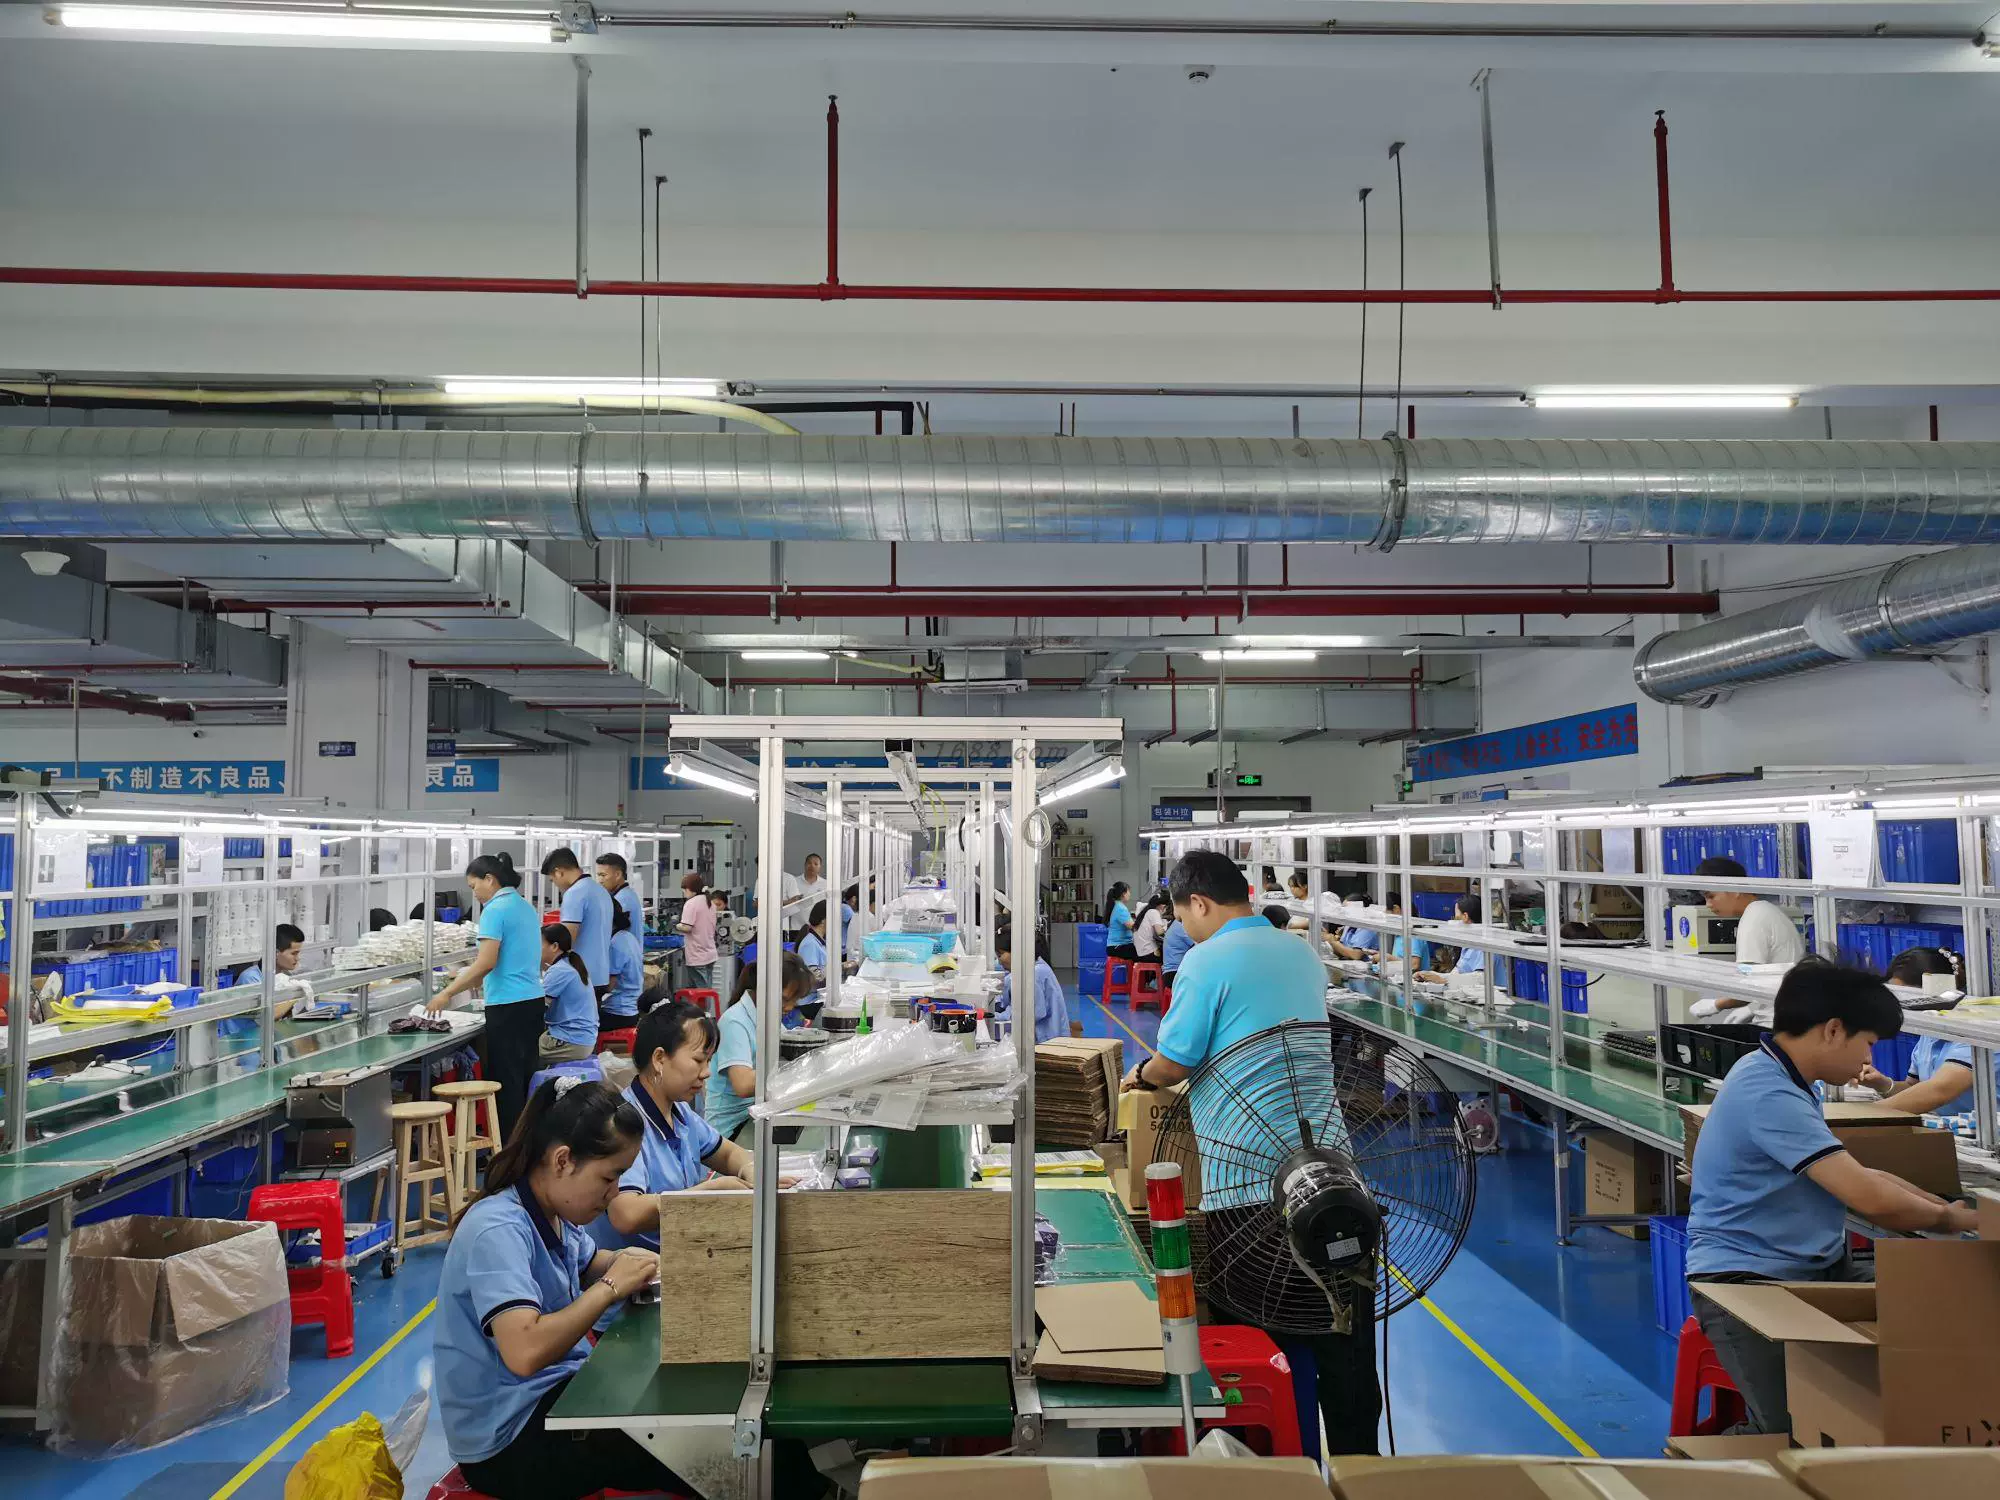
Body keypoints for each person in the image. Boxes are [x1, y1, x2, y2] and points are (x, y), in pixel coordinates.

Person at [1121, 850, 1378, 1455]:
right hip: (1335, 1176)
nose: (1183, 928)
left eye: (1182, 916)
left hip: (1249, 1184)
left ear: (1199, 903)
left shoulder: (1207, 960)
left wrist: (1140, 1076)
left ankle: (1274, 1467)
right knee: (1343, 1339)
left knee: (1262, 1346)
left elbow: (1175, 1061)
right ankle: (1360, 1471)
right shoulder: (1300, 951)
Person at [1687, 963, 1979, 1434]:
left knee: (1944, 1298)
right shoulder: (1768, 1092)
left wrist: (1949, 1209)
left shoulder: (1784, 1075)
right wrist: (1952, 1222)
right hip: (1747, 1280)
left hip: (1812, 1265)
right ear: (1834, 1030)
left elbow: (1861, 1175)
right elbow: (1871, 1198)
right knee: (1796, 1432)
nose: (1868, 1057)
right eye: (1868, 1042)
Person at [433, 1075, 683, 1500]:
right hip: (509, 1440)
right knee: (684, 1444)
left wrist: (637, 1264)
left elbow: (589, 1262)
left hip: (552, 1396)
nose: (614, 1193)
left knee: (671, 1410)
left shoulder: (550, 1212)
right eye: (609, 1178)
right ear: (563, 1160)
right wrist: (611, 1286)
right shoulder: (497, 1229)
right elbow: (524, 1351)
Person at [597, 1001, 765, 1253]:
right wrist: (703, 1195)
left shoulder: (680, 1112)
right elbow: (626, 1214)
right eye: (699, 1060)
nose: (707, 1073)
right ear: (659, 1059)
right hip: (636, 1265)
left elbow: (728, 1153)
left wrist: (749, 1170)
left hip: (676, 1250)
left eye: (709, 1061)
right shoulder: (625, 1122)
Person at [429, 852, 544, 1136]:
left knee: (507, 1082)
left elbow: (486, 962)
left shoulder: (494, 910)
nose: (474, 893)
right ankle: (529, 1143)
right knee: (527, 1077)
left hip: (507, 1006)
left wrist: (446, 993)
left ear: (489, 879)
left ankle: (509, 1149)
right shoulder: (524, 906)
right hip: (532, 1002)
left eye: (474, 885)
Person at [1859, 947, 1986, 1116]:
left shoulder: (1976, 1030)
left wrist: (1861, 1114)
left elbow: (1939, 1090)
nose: (1901, 1005)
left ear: (1931, 991)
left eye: (1905, 996)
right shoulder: (1931, 1030)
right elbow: (1914, 1089)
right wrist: (1882, 1083)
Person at [706, 953, 816, 1144]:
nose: (790, 1007)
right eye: (785, 999)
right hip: (732, 1129)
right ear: (764, 988)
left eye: (795, 1000)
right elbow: (743, 1084)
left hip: (757, 1112)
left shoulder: (767, 1016)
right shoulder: (734, 1022)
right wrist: (796, 1070)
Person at [1688, 856, 1805, 1027]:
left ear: (1735, 889)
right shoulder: (1764, 911)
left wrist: (1715, 1005)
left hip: (1774, 1024)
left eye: (1711, 896)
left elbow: (1748, 988)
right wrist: (1752, 1007)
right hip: (1784, 1016)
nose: (1708, 904)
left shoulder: (1753, 919)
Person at [541, 847, 613, 996]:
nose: (555, 884)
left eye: (553, 880)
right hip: (600, 974)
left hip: (580, 976)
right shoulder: (599, 890)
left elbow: (566, 939)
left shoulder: (574, 893)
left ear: (559, 872)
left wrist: (544, 961)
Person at [995, 923, 1069, 1043]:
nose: (999, 961)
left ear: (1017, 951)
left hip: (1048, 1041)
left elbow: (1030, 1013)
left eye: (1000, 955)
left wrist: (994, 1016)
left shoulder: (1034, 974)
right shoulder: (1033, 966)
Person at [538, 925, 597, 1063]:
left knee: (520, 1050)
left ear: (554, 946)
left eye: (539, 944)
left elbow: (536, 1008)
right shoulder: (569, 964)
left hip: (572, 1041)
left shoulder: (560, 970)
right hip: (581, 1038)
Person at [1417, 895, 1487, 982]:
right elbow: (1455, 975)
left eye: (1456, 917)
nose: (1454, 921)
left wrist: (1441, 980)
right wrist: (1429, 975)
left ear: (1465, 917)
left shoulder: (1483, 946)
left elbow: (1481, 979)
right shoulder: (1468, 945)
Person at [601, 904, 644, 1030]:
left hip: (619, 1012)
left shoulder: (615, 944)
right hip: (633, 1007)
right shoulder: (628, 937)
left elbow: (609, 986)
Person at [676, 871, 719, 990]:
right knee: (707, 989)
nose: (684, 892)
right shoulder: (709, 902)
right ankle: (707, 1004)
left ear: (692, 889)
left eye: (685, 889)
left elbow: (687, 927)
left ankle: (703, 1004)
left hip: (697, 955)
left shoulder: (691, 903)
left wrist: (677, 926)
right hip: (710, 953)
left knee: (700, 992)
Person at [781, 853, 829, 939]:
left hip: (818, 930)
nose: (812, 866)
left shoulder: (826, 884)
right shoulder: (794, 881)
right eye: (809, 863)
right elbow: (785, 904)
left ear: (820, 867)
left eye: (816, 864)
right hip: (796, 928)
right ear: (805, 865)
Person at [594, 851, 644, 935]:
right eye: (598, 875)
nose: (599, 880)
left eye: (603, 875)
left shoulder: (622, 899)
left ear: (618, 875)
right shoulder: (627, 893)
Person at [1132, 887, 1171, 963]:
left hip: (1140, 952)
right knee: (1173, 954)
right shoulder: (1154, 912)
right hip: (1149, 953)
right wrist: (1166, 926)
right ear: (1163, 906)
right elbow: (1159, 932)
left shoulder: (1145, 911)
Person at [1103, 881, 1138, 962]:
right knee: (1144, 951)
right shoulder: (1120, 908)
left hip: (1116, 946)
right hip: (1117, 947)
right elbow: (1133, 927)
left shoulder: (1116, 905)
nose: (1130, 894)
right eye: (1129, 891)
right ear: (1123, 894)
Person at [1161, 915, 1194, 984]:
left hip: (1172, 972)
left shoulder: (1176, 924)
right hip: (1175, 973)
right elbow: (1199, 944)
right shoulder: (1181, 925)